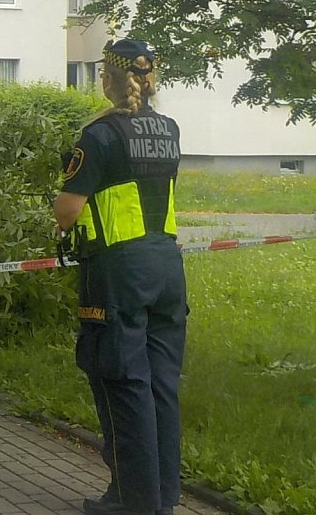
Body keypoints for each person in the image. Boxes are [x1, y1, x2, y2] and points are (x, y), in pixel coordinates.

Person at [54, 39, 188, 515]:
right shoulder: (169, 130)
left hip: (117, 272)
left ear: (108, 78)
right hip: (168, 268)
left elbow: (68, 212)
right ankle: (161, 498)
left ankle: (136, 504)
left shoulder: (100, 135)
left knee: (121, 382)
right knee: (160, 386)